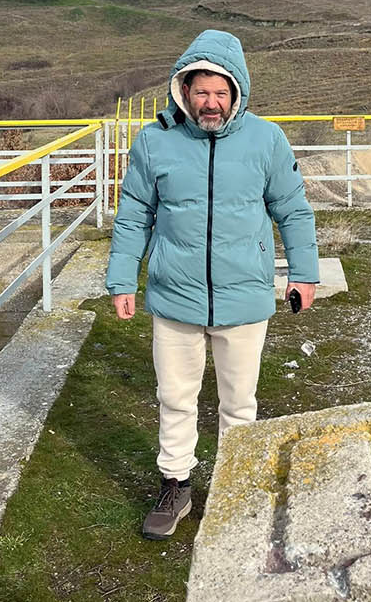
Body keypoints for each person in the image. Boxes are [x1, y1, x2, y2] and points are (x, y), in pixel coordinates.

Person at [105, 29, 319, 541]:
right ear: (184, 90)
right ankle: (176, 485)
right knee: (175, 397)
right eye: (201, 91)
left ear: (237, 93)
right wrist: (121, 279)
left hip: (243, 298)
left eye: (221, 92)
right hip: (174, 298)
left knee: (238, 402)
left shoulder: (266, 140)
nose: (211, 102)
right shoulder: (155, 141)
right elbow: (134, 214)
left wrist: (304, 273)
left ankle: (234, 488)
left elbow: (292, 209)